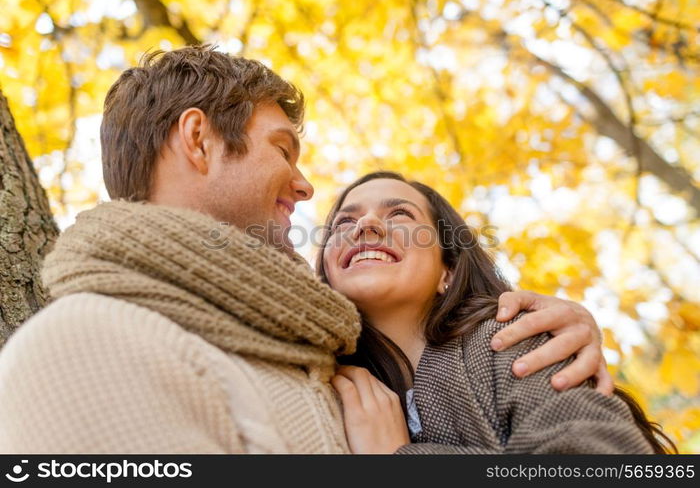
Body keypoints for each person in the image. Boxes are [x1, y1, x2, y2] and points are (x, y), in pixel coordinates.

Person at [0, 45, 608, 453]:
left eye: (400, 215)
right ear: (199, 141)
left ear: (451, 269)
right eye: (283, 149)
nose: (304, 184)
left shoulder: (324, 362)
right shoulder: (85, 347)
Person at [318, 171, 676, 454]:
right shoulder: (323, 374)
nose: (366, 225)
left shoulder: (511, 339)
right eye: (344, 223)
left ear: (450, 271)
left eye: (399, 214)